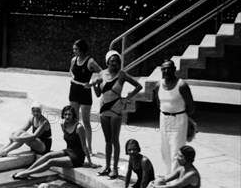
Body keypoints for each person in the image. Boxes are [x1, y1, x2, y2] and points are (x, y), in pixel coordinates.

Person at [92, 50, 142, 179]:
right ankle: (107, 166)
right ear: (107, 61)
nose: (114, 63)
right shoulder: (101, 74)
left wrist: (127, 97)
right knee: (107, 140)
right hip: (103, 109)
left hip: (116, 110)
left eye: (117, 61)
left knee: (115, 140)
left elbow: (138, 86)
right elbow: (98, 94)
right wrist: (94, 84)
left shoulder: (122, 75)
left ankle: (115, 169)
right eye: (112, 61)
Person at [11, 105, 95, 180]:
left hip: (77, 156)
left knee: (51, 161)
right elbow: (69, 141)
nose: (67, 116)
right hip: (68, 150)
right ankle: (27, 170)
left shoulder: (79, 127)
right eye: (65, 114)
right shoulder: (63, 125)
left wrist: (90, 163)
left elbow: (84, 146)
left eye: (69, 114)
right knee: (48, 155)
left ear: (73, 115)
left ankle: (26, 173)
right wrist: (64, 153)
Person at [154, 59, 195, 175]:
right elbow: (159, 104)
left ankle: (175, 180)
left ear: (174, 69)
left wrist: (180, 114)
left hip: (178, 119)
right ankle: (168, 176)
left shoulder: (181, 85)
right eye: (164, 69)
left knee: (176, 151)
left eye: (169, 68)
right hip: (164, 119)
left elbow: (191, 107)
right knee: (165, 150)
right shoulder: (158, 85)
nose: (166, 71)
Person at [69, 39, 102, 154]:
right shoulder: (74, 60)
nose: (74, 51)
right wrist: (72, 76)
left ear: (82, 49)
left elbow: (102, 74)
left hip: (85, 91)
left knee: (86, 121)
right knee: (74, 119)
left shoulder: (90, 61)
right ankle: (77, 145)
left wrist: (93, 83)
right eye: (73, 49)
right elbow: (71, 70)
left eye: (76, 49)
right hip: (74, 90)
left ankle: (89, 147)